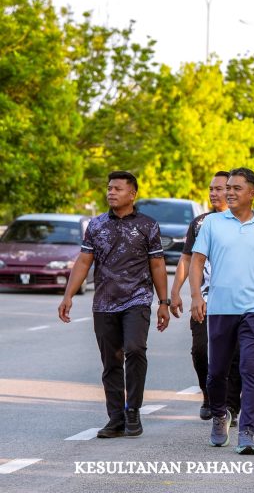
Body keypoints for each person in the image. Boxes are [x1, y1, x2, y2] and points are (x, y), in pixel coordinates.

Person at [58, 170, 170, 438]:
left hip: (138, 299)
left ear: (132, 194)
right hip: (104, 302)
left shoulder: (147, 225)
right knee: (111, 361)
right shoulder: (96, 225)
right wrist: (68, 295)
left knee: (135, 350)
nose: (111, 192)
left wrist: (163, 302)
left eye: (117, 189)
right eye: (109, 188)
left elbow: (157, 264)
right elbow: (84, 261)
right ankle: (116, 418)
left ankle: (133, 410)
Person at [190, 167, 254, 455]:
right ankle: (220, 415)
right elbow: (196, 262)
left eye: (236, 188)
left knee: (250, 369)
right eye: (227, 188)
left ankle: (247, 431)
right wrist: (196, 296)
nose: (229, 192)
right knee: (216, 371)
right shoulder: (212, 224)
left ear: (252, 193)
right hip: (220, 308)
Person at [170, 171, 242, 424]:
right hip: (204, 300)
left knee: (234, 355)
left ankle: (231, 406)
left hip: (236, 301)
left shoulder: (244, 222)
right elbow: (187, 259)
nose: (214, 193)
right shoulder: (200, 223)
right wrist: (176, 291)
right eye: (211, 189)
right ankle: (209, 395)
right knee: (201, 350)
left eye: (219, 189)